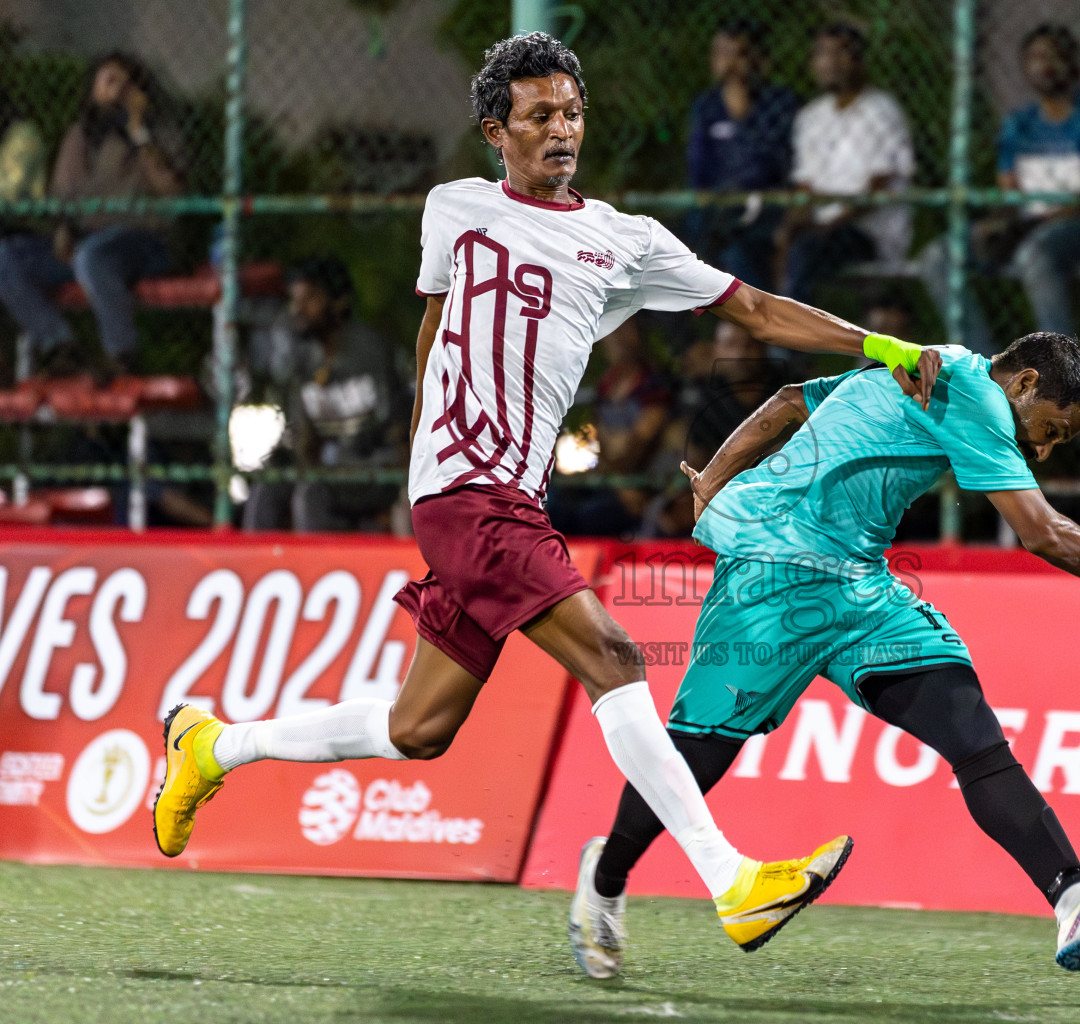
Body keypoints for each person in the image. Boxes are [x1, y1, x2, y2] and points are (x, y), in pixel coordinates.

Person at [154, 32, 941, 956]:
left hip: (507, 498)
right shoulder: (455, 208)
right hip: (465, 494)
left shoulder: (625, 241)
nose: (561, 130)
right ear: (498, 131)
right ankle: (733, 883)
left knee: (419, 728)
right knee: (614, 655)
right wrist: (425, 459)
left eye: (570, 113)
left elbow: (759, 310)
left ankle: (212, 747)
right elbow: (437, 328)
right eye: (539, 117)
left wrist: (884, 348)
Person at [567, 332, 1080, 979]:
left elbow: (793, 399)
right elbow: (1043, 533)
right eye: (1053, 428)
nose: (1047, 450)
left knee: (972, 733)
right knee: (694, 759)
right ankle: (603, 883)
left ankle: (1076, 901)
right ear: (1025, 383)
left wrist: (711, 479)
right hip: (771, 573)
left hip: (858, 584)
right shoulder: (974, 394)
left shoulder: (929, 365)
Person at [0, 53, 184, 381]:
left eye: (126, 84)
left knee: (92, 256)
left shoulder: (156, 133)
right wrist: (62, 228)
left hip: (140, 240)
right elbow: (61, 196)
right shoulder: (80, 135)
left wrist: (139, 131)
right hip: (87, 241)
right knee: (8, 256)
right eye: (108, 81)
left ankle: (122, 355)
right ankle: (60, 346)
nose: (117, 90)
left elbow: (170, 190)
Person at [242, 256, 407, 533]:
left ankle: (316, 570)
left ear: (338, 302)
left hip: (377, 470)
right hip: (330, 475)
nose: (299, 309)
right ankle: (255, 568)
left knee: (312, 493)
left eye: (310, 299)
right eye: (295, 300)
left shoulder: (370, 351)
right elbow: (305, 439)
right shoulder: (302, 360)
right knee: (267, 490)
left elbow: (399, 431)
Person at [990, 23, 1080, 336]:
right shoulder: (1018, 124)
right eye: (1035, 57)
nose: (1044, 65)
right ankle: (980, 367)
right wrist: (1000, 223)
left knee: (1034, 253)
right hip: (1027, 226)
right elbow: (1008, 188)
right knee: (941, 256)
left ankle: (1061, 370)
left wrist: (1042, 221)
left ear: (1072, 63)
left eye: (1054, 56)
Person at [780, 22, 914, 303]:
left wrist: (825, 226)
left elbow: (877, 188)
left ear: (859, 60)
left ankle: (787, 341)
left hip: (869, 233)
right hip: (821, 231)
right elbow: (806, 187)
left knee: (806, 251)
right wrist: (790, 225)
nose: (829, 63)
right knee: (763, 243)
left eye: (838, 54)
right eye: (821, 55)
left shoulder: (881, 110)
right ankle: (759, 337)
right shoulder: (811, 117)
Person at [684, 18, 799, 289]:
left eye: (741, 55)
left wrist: (743, 111)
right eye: (723, 55)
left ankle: (747, 327)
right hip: (713, 209)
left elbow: (779, 167)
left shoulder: (780, 104)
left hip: (764, 209)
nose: (731, 65)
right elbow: (698, 169)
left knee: (738, 252)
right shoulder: (706, 106)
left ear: (761, 60)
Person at [547, 317, 671, 537]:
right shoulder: (605, 386)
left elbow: (637, 444)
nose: (617, 339)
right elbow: (605, 447)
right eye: (612, 332)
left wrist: (619, 477)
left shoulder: (652, 384)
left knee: (590, 516)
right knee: (556, 506)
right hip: (613, 484)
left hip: (648, 485)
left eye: (625, 331)